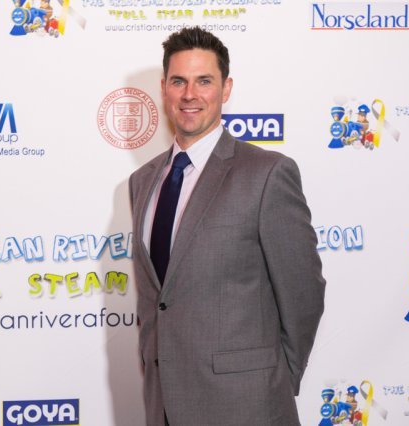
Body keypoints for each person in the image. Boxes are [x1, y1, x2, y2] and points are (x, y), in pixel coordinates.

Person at [128, 26, 326, 426]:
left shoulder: (266, 173)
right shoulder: (142, 181)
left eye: (204, 81)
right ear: (164, 88)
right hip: (162, 405)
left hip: (246, 405)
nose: (190, 94)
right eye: (179, 81)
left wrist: (275, 379)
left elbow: (303, 292)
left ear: (226, 88)